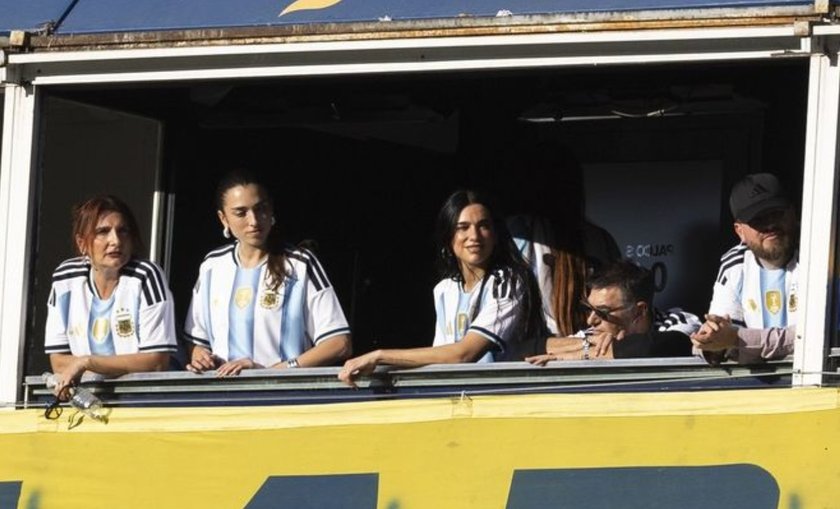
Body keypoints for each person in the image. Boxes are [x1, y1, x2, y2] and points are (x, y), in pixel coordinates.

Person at [338, 190, 544, 387]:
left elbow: (463, 355)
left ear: (496, 235)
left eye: (483, 226)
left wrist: (379, 356)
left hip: (500, 397)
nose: (474, 236)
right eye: (463, 227)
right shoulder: (445, 290)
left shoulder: (507, 282)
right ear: (448, 237)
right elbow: (440, 358)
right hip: (457, 399)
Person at [184, 170, 352, 376]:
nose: (254, 220)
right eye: (241, 213)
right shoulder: (212, 266)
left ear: (271, 210)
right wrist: (202, 359)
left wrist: (271, 373)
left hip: (283, 394)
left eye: (260, 209)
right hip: (222, 395)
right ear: (223, 218)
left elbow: (339, 343)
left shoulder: (300, 263)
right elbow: (196, 342)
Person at [44, 195, 176, 398]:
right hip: (89, 401)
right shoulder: (65, 278)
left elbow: (156, 362)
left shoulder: (146, 276)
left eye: (123, 231)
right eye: (103, 232)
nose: (116, 241)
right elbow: (59, 362)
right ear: (82, 243)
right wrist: (87, 365)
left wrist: (86, 362)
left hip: (143, 401)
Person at [691, 173, 798, 363]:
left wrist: (737, 339)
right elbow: (723, 336)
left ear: (793, 213)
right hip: (756, 380)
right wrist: (711, 342)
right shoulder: (734, 264)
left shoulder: (822, 256)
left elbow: (812, 338)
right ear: (740, 231)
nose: (770, 225)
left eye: (776, 213)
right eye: (758, 220)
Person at [527, 260, 700, 363]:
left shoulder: (679, 321)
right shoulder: (594, 336)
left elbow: (654, 347)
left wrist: (577, 356)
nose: (590, 320)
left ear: (639, 311)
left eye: (602, 312)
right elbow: (521, 350)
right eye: (589, 309)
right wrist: (586, 344)